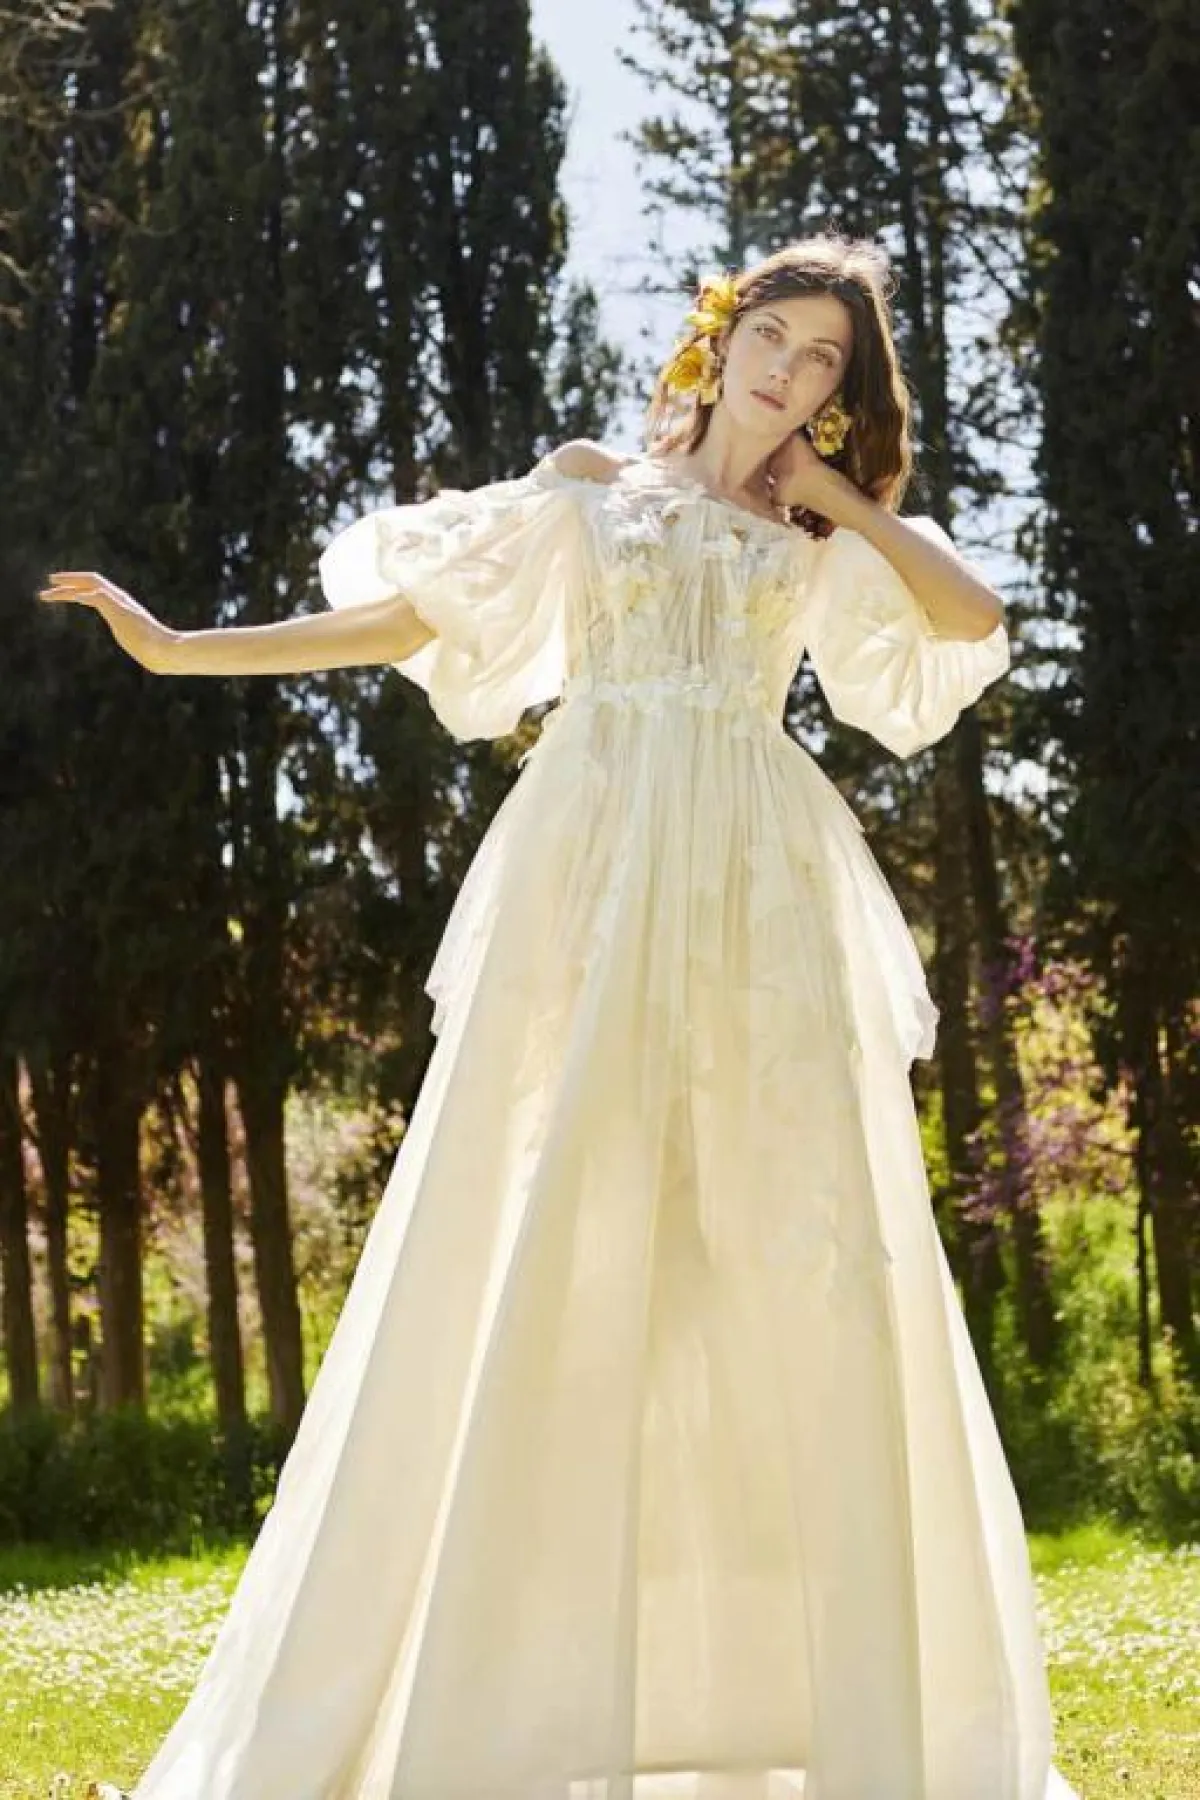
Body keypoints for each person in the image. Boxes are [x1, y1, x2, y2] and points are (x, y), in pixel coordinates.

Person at [47, 233, 1081, 1800]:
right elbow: (417, 624)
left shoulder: (816, 527)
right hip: (592, 871)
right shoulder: (594, 483)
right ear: (722, 334)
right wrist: (188, 649)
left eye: (824, 362)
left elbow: (969, 614)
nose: (790, 372)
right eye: (775, 338)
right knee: (539, 1227)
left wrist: (848, 495)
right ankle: (490, 1688)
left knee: (792, 1250)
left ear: (839, 393)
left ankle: (829, 1701)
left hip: (756, 891)